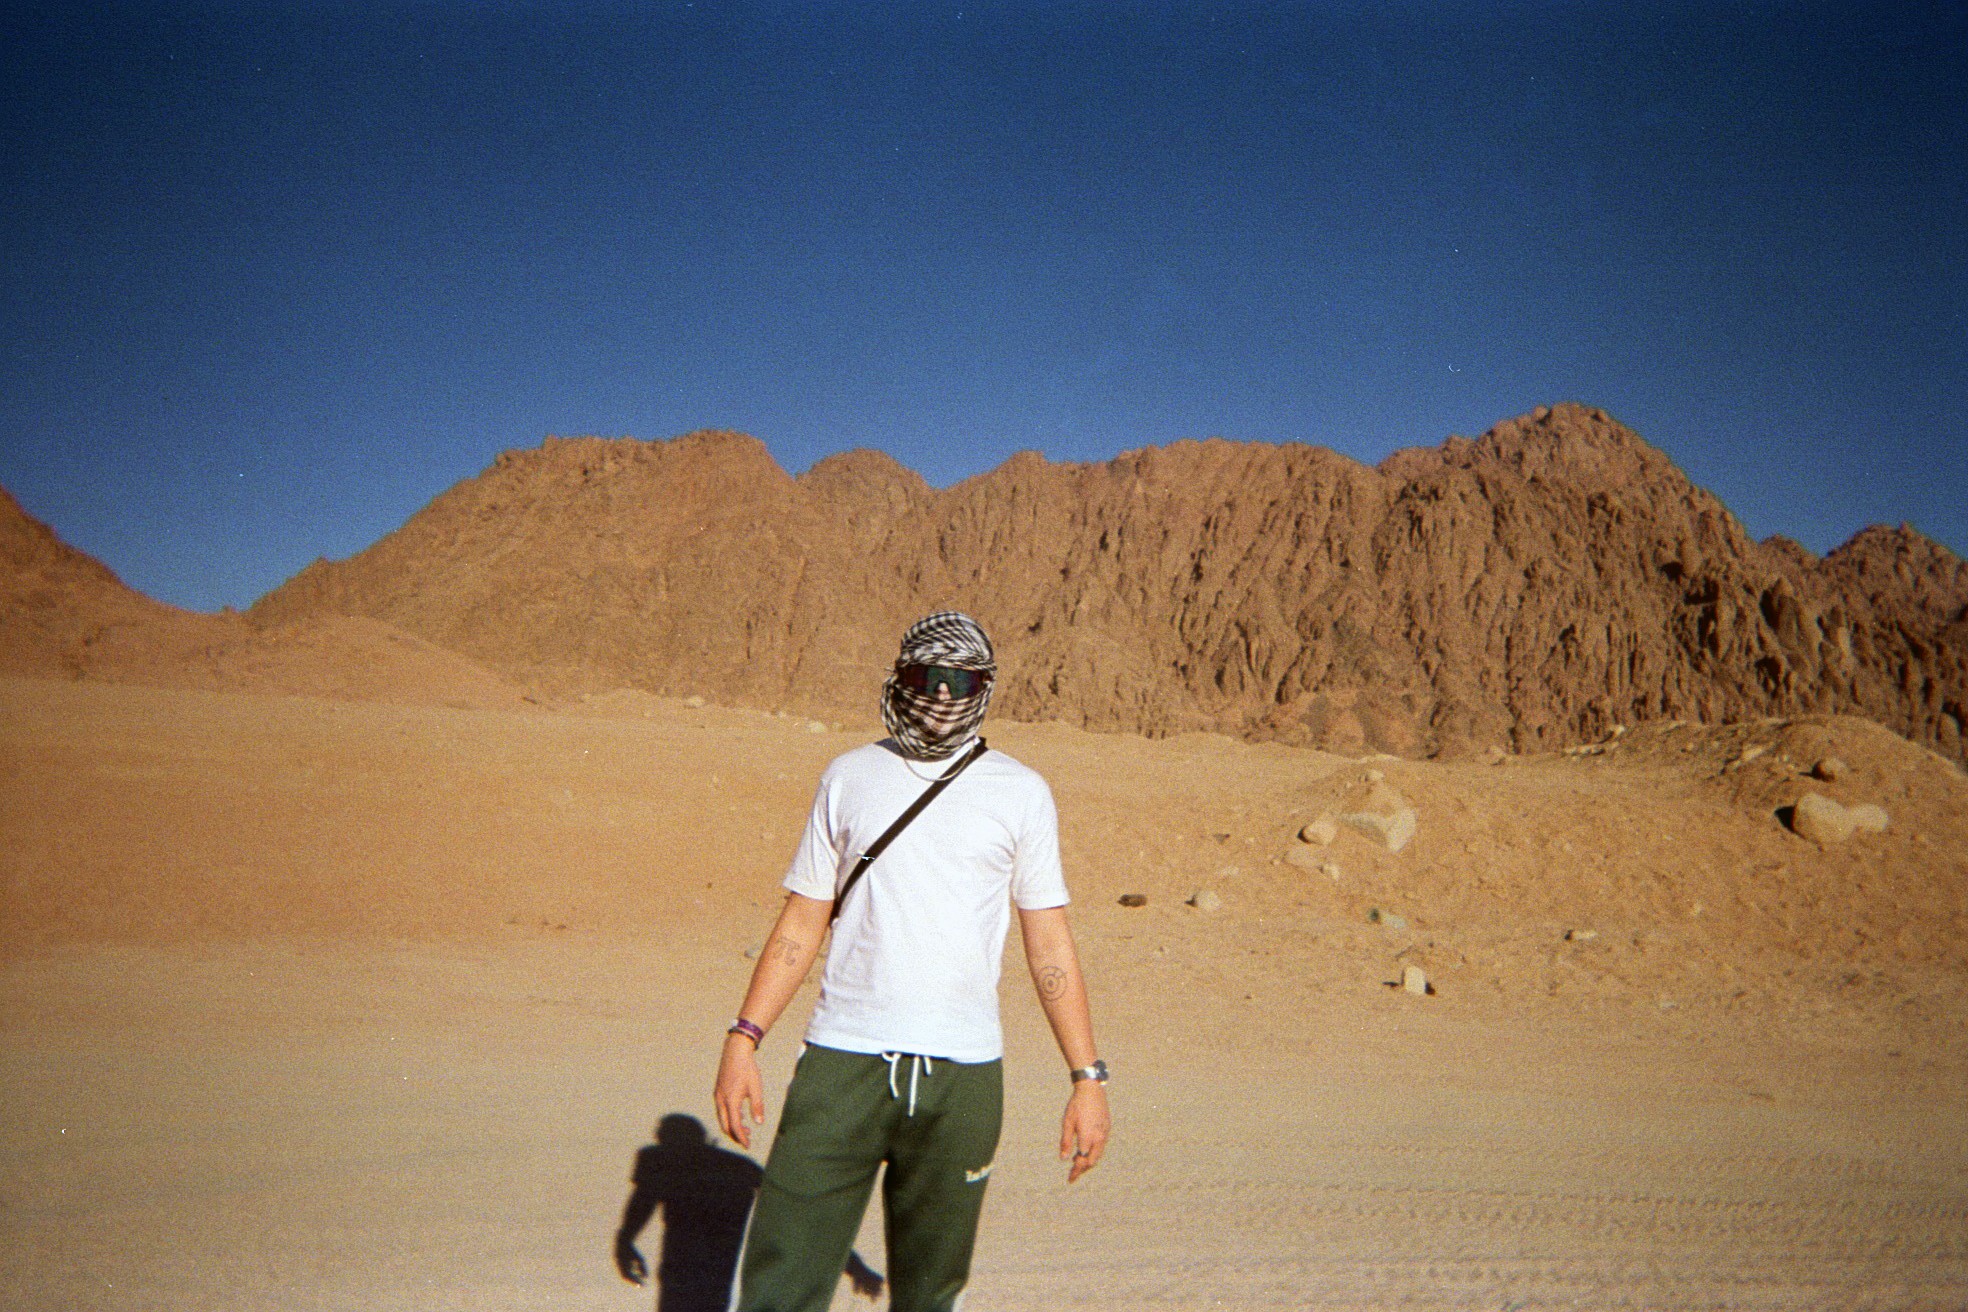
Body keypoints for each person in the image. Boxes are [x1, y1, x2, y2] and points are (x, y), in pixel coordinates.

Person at [714, 611, 1110, 1312]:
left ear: (986, 688)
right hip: (842, 1063)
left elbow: (1049, 942)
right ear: (902, 677)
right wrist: (744, 1039)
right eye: (929, 677)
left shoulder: (1021, 792)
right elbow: (802, 921)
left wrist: (1087, 1078)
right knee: (779, 1288)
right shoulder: (850, 776)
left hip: (962, 1077)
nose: (944, 694)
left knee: (931, 1294)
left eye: (963, 680)